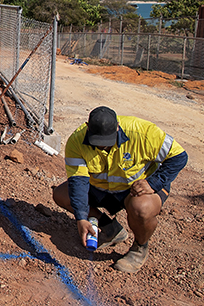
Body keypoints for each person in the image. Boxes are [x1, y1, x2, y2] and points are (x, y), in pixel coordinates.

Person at [52, 106, 188, 274]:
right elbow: (78, 182)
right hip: (102, 190)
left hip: (135, 192)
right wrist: (81, 217)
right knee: (62, 194)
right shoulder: (76, 141)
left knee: (142, 209)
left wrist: (153, 183)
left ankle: (139, 248)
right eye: (98, 143)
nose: (103, 148)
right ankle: (111, 229)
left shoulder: (142, 133)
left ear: (117, 127)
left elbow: (179, 156)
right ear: (88, 128)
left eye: (107, 142)